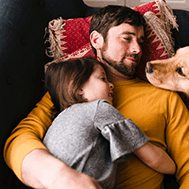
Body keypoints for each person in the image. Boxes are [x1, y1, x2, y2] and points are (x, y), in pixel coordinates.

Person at [4, 5, 189, 189]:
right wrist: (59, 176)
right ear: (97, 40)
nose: (137, 49)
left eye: (141, 41)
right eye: (127, 38)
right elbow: (19, 139)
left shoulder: (163, 97)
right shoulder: (72, 87)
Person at [43, 58, 176, 189]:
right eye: (103, 79)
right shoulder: (99, 108)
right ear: (78, 88)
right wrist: (173, 167)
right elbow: (153, 158)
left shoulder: (56, 123)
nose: (112, 85)